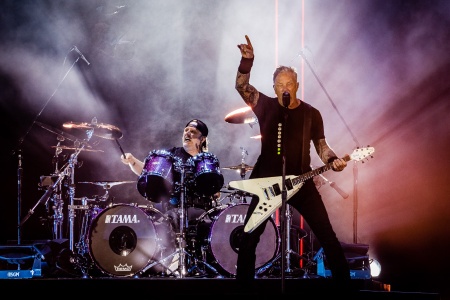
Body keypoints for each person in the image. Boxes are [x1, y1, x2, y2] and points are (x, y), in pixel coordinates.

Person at [234, 35, 352, 291]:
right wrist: (247, 61)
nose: (285, 88)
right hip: (266, 181)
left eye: (289, 83)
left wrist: (332, 159)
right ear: (274, 87)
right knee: (249, 238)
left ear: (297, 84)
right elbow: (242, 86)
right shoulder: (264, 105)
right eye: (280, 84)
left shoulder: (312, 114)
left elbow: (322, 145)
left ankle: (346, 289)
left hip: (301, 180)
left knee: (327, 236)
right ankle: (242, 290)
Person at [120, 119, 224, 225]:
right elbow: (148, 172)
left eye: (193, 132)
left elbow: (214, 187)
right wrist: (132, 161)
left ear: (202, 139)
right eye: (186, 130)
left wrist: (214, 189)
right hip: (171, 211)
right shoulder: (171, 154)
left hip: (201, 213)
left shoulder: (206, 162)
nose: (187, 133)